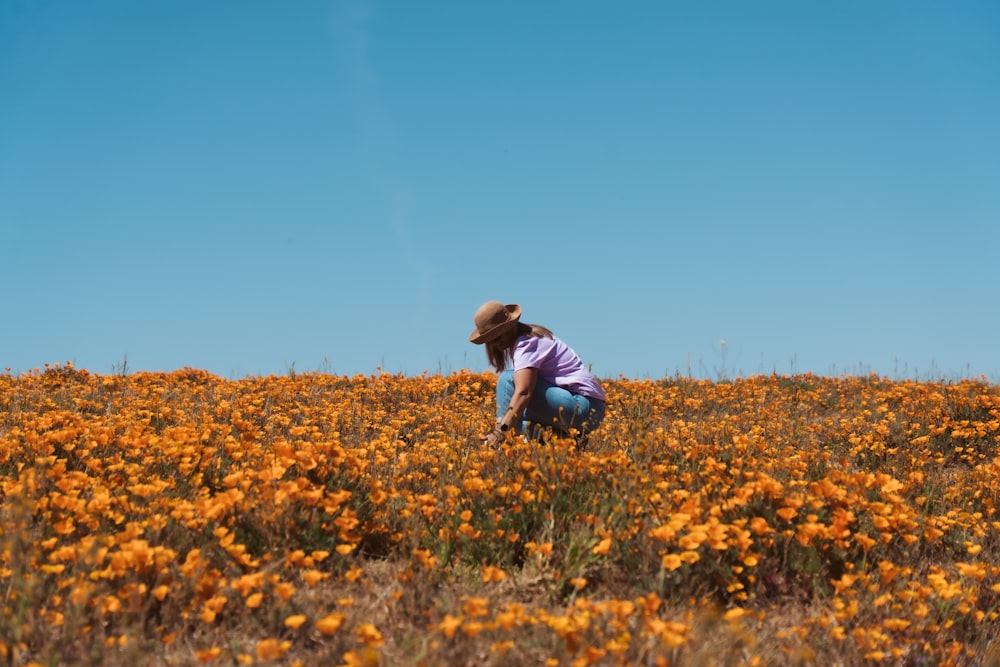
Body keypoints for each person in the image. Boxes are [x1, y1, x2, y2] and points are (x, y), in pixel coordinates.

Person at [469, 301, 607, 447]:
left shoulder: (526, 342)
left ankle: (503, 441)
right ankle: (567, 440)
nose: (496, 343)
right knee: (518, 419)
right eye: (490, 340)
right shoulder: (529, 337)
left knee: (508, 380)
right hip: (589, 409)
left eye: (498, 336)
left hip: (583, 406)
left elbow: (524, 393)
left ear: (509, 327)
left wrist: (500, 432)